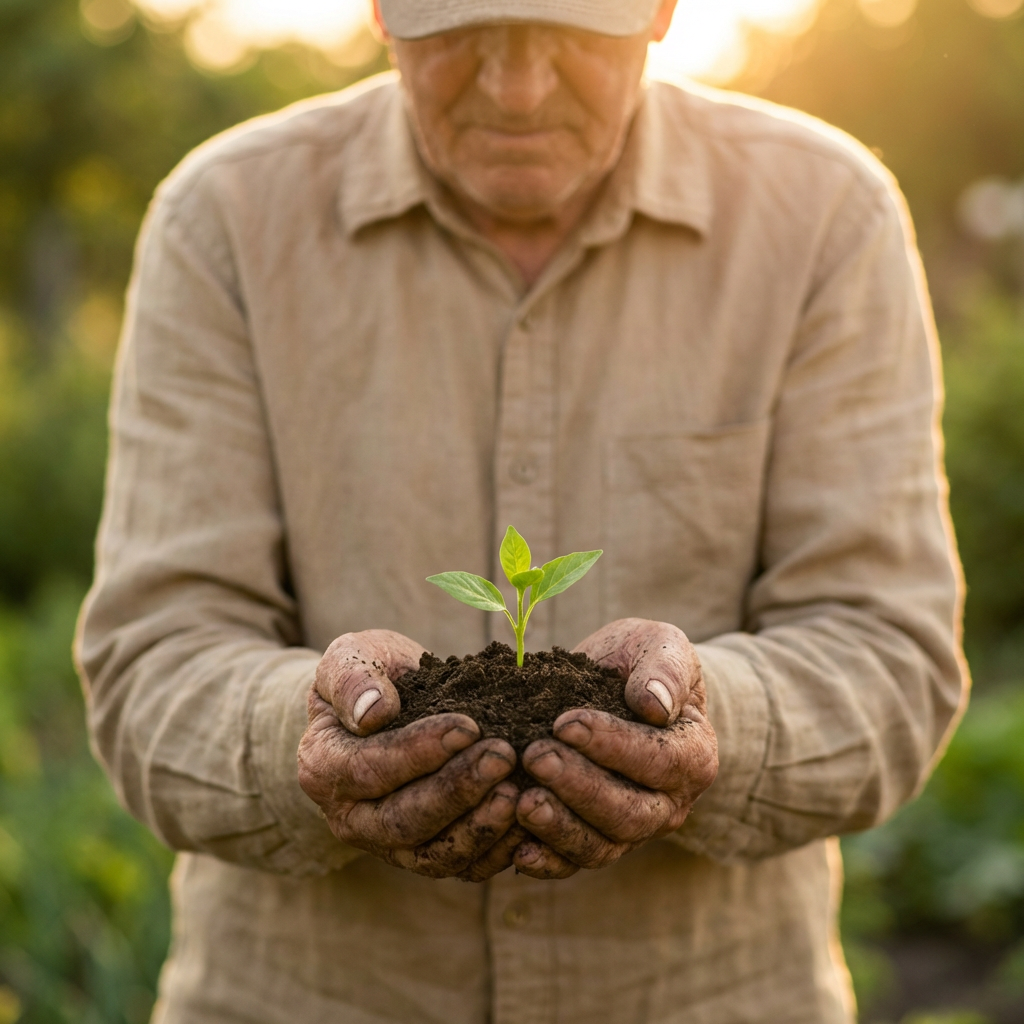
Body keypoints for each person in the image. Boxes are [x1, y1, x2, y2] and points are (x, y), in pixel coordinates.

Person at [76, 0, 967, 1020]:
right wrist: (308, 736)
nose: (516, 88)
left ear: (663, 12)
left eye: (573, 34)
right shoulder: (228, 217)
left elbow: (889, 653)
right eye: (460, 32)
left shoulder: (820, 213)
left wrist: (714, 719)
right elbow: (153, 661)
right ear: (377, 10)